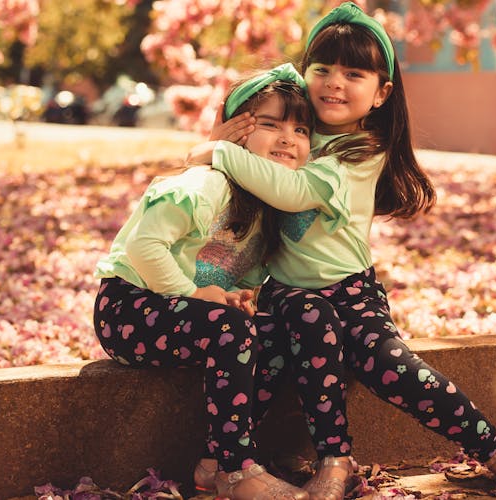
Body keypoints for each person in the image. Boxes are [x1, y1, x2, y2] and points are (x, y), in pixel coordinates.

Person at [188, 3, 496, 498]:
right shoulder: (295, 135)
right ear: (304, 75)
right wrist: (228, 139)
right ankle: (303, 461)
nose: (334, 82)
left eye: (353, 73)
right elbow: (236, 202)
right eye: (323, 69)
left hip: (352, 294)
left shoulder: (362, 152)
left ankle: (495, 449)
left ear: (381, 93)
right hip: (289, 296)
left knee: (392, 367)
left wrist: (218, 150)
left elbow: (293, 194)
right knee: (270, 359)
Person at [92, 63, 316, 500]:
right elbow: (144, 246)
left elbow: (238, 276)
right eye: (269, 124)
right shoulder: (206, 185)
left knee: (276, 333)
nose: (288, 138)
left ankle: (216, 461)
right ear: (234, 133)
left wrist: (237, 297)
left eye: (301, 129)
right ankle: (237, 471)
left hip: (189, 314)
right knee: (230, 328)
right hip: (128, 309)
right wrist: (192, 294)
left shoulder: (269, 210)